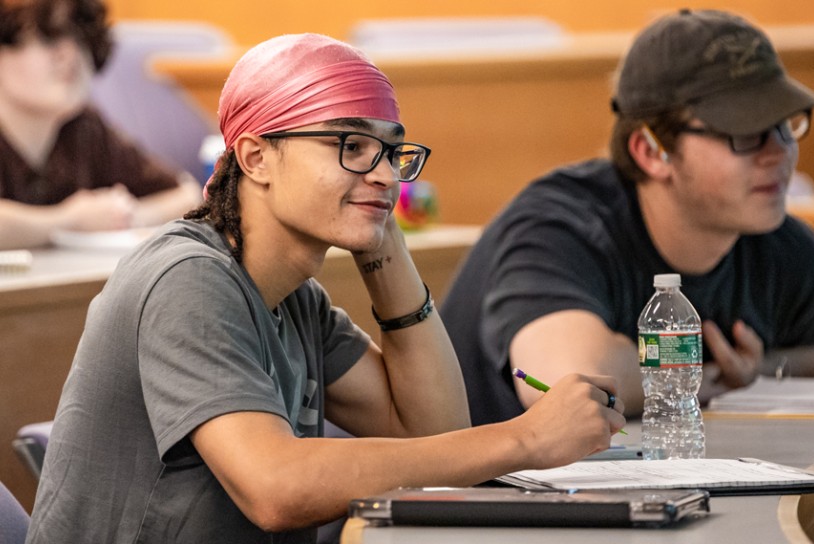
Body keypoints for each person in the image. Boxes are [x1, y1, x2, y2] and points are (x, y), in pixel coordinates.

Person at [25, 33, 624, 543]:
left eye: (392, 152)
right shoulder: (188, 279)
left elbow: (434, 438)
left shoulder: (295, 300)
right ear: (257, 158)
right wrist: (525, 438)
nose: (386, 174)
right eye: (352, 146)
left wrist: (382, 243)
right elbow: (276, 487)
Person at [440, 9, 814, 425]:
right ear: (652, 152)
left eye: (784, 125)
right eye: (745, 133)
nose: (779, 152)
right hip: (479, 487)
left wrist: (755, 373)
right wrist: (705, 379)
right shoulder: (559, 227)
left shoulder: (783, 244)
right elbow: (567, 383)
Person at [0, 0, 200, 250]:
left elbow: (187, 195)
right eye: (47, 38)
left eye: (80, 38)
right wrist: (68, 220)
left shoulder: (85, 126)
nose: (70, 54)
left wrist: (125, 216)